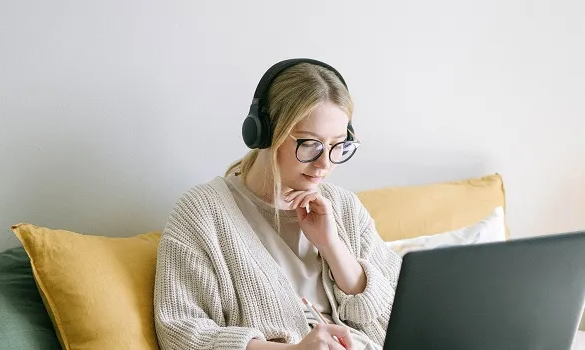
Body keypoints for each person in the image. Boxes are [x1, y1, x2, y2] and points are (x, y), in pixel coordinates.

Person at [153, 59, 402, 350]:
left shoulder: (343, 206)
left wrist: (333, 247)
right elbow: (181, 332)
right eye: (310, 144)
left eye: (338, 145)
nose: (325, 163)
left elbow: (400, 317)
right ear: (266, 133)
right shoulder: (202, 213)